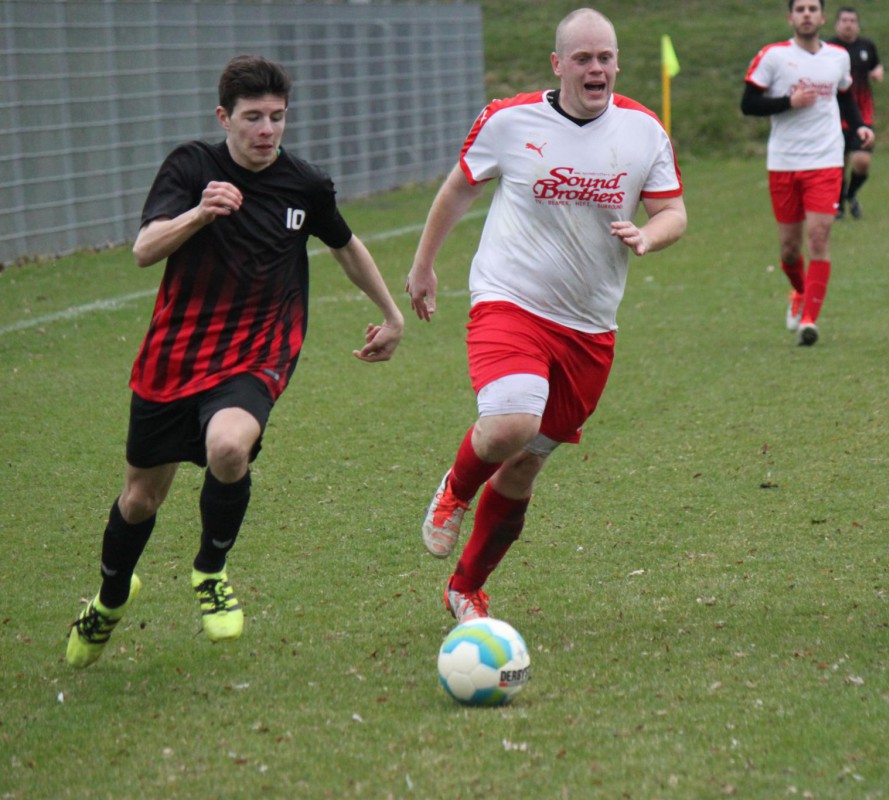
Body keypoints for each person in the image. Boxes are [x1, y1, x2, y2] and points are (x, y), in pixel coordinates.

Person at [65, 55, 406, 668]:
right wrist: (200, 213)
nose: (267, 130)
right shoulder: (192, 167)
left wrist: (392, 313)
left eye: (277, 117)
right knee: (140, 499)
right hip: (175, 357)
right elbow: (144, 250)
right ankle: (111, 598)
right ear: (224, 117)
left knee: (228, 448)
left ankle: (210, 571)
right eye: (252, 118)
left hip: (259, 351)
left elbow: (345, 244)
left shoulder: (304, 183)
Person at [405, 8, 686, 623]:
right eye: (582, 58)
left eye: (605, 57)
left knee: (526, 464)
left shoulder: (643, 131)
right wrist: (424, 266)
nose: (596, 68)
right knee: (510, 423)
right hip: (511, 299)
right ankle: (454, 491)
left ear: (617, 63)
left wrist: (648, 235)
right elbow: (459, 187)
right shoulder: (510, 119)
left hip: (590, 326)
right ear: (558, 65)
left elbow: (675, 212)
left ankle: (466, 588)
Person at [741, 0, 874, 346]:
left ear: (822, 17)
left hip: (826, 160)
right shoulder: (772, 56)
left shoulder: (837, 58)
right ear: (790, 17)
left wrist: (858, 127)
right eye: (799, 9)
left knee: (818, 238)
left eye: (812, 8)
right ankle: (799, 294)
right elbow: (748, 104)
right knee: (788, 250)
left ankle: (810, 320)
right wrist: (788, 102)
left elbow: (844, 97)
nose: (806, 14)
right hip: (784, 162)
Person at [825, 6, 883, 221]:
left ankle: (850, 194)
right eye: (844, 20)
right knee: (838, 163)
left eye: (852, 20)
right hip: (834, 116)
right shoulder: (828, 48)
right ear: (836, 24)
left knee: (862, 162)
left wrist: (877, 73)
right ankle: (838, 202)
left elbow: (877, 67)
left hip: (863, 115)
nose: (848, 24)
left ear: (857, 25)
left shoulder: (866, 46)